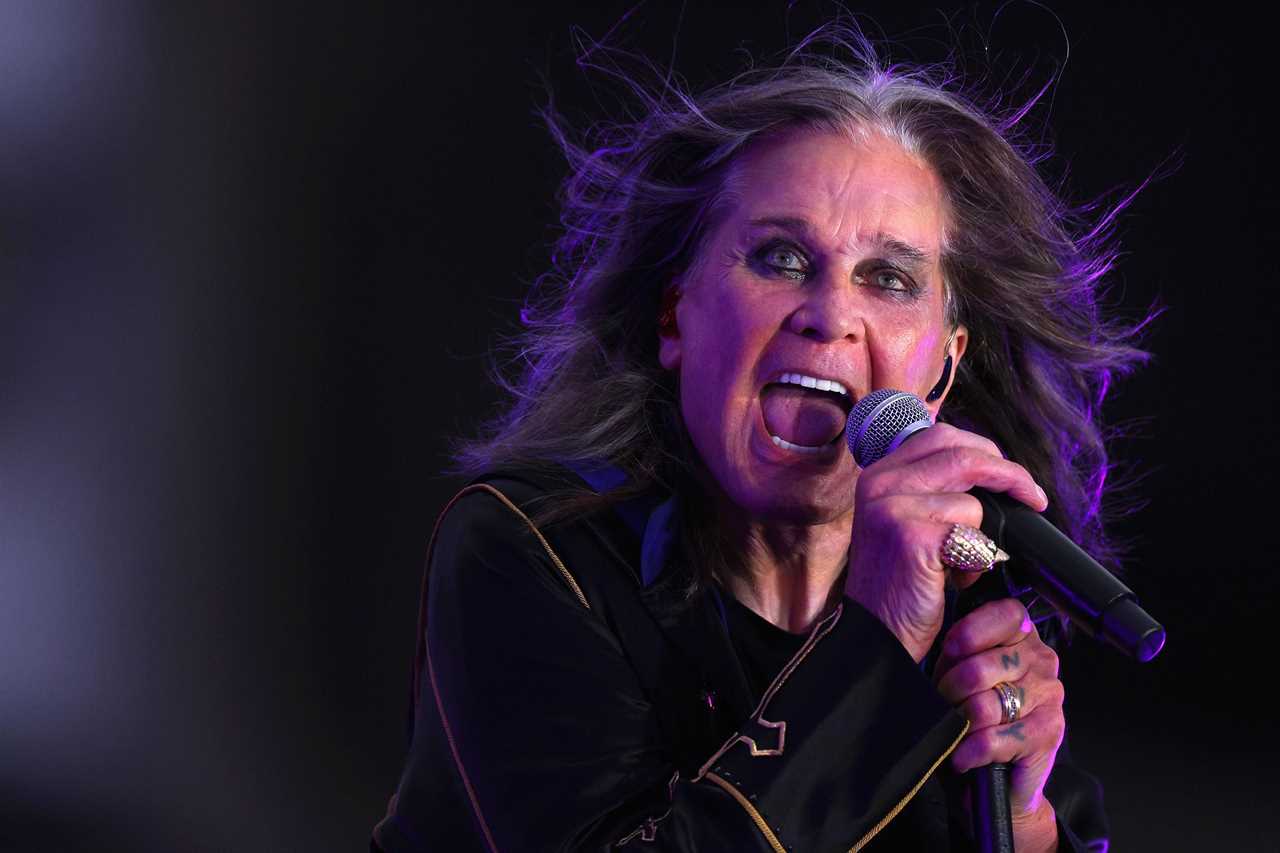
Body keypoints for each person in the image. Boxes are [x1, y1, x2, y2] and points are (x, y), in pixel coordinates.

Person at [373, 24, 1145, 852]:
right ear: (675, 316)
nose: (831, 314)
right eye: (778, 258)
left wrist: (1023, 822)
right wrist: (876, 643)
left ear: (943, 368)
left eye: (888, 279)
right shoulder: (533, 551)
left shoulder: (966, 599)